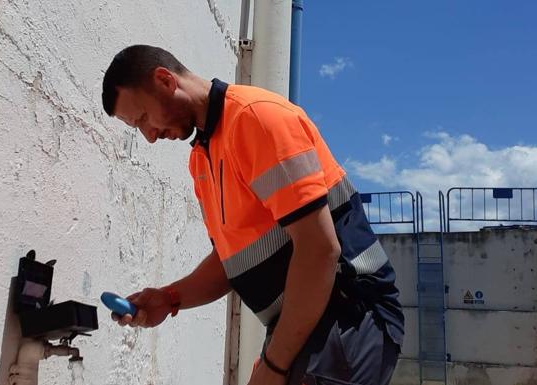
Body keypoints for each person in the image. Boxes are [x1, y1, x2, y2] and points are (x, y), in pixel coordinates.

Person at [101, 45, 404, 385]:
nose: (150, 136)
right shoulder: (201, 159)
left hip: (352, 316)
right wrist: (169, 298)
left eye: (142, 118)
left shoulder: (257, 118)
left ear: (165, 80)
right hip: (307, 325)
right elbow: (232, 262)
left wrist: (274, 367)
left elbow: (319, 249)